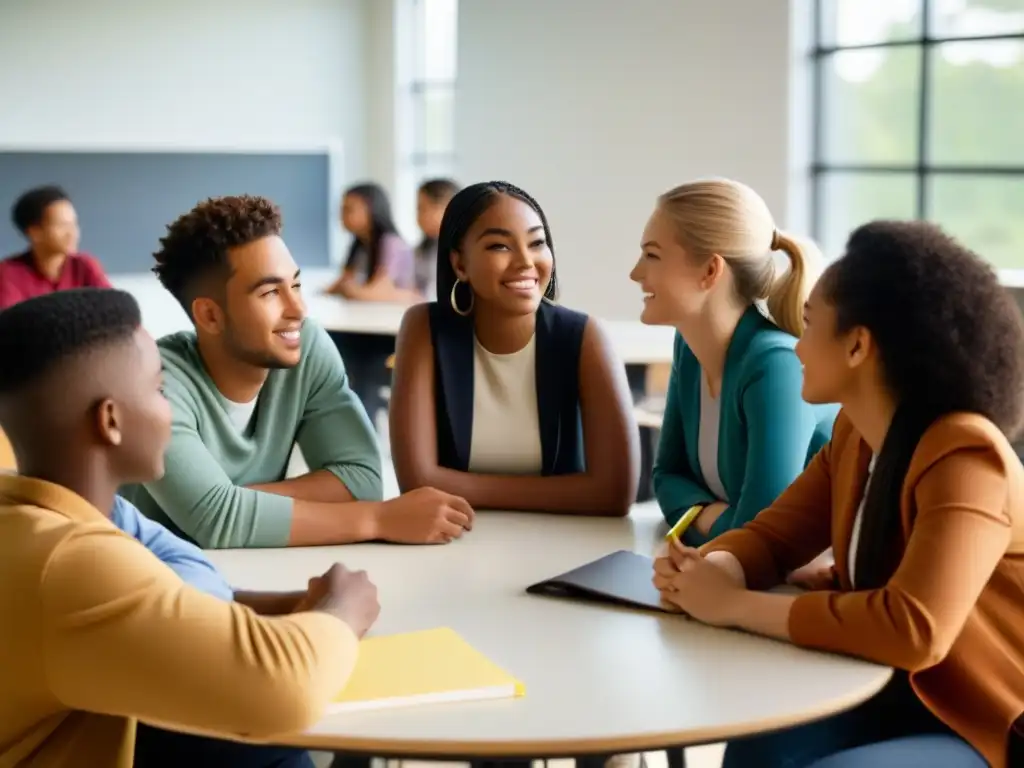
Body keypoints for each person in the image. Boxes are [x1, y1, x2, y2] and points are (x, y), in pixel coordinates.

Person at [654, 220, 1024, 768]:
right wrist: (717, 567)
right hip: (879, 688)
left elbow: (913, 629)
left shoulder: (968, 456)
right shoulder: (855, 433)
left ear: (856, 346)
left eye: (808, 325)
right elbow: (774, 536)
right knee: (756, 753)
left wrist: (734, 605)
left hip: (980, 721)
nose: (797, 346)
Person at [0, 288, 381, 768]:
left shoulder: (63, 512)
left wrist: (283, 607)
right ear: (110, 421)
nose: (171, 411)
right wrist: (340, 609)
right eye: (160, 390)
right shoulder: (72, 563)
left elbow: (187, 579)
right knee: (267, 743)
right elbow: (286, 690)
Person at [120, 195, 473, 549]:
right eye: (271, 292)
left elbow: (362, 481)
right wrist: (379, 518)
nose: (298, 310)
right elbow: (214, 521)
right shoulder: (155, 383)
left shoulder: (306, 347)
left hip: (257, 568)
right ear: (210, 316)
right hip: (156, 577)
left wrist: (224, 505)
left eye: (297, 285)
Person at [389, 181, 640, 516]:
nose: (526, 261)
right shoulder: (424, 329)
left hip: (566, 546)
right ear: (460, 265)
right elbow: (417, 482)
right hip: (459, 541)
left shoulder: (585, 336)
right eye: (499, 246)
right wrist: (568, 492)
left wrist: (458, 486)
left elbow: (614, 493)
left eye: (537, 243)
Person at [633, 179, 837, 545]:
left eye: (652, 255)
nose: (636, 273)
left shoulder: (776, 366)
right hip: (732, 575)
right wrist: (723, 522)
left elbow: (762, 538)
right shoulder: (689, 346)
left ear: (710, 271)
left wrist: (701, 518)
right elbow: (666, 477)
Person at [0, 185, 111, 309]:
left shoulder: (85, 265)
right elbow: (8, 323)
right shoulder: (9, 273)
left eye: (74, 224)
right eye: (62, 225)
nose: (72, 233)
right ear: (34, 232)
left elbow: (116, 313)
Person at [327, 182, 418, 302]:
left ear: (372, 209)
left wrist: (350, 290)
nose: (341, 216)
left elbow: (379, 292)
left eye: (348, 209)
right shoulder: (359, 245)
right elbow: (341, 284)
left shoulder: (392, 244)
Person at [414, 178, 460, 299]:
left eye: (422, 209)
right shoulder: (422, 248)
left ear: (446, 208)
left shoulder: (460, 250)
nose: (418, 217)